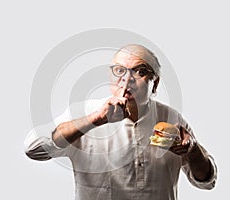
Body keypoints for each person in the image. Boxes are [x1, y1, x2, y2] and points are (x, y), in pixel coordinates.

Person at [25, 44, 217, 200]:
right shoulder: (86, 113)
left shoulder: (172, 120)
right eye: (119, 70)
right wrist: (94, 120)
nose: (127, 79)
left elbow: (206, 181)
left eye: (140, 71)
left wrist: (192, 150)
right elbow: (34, 149)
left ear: (155, 83)